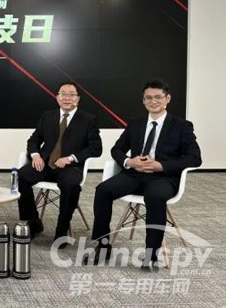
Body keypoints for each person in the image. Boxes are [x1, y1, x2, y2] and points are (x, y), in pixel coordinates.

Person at [87, 79, 201, 270]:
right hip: (135, 174)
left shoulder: (182, 126)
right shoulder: (135, 124)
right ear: (143, 100)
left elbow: (195, 158)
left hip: (163, 177)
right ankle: (102, 246)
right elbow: (117, 149)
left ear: (167, 99)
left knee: (154, 196)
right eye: (148, 97)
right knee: (102, 190)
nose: (153, 101)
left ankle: (151, 255)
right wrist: (129, 162)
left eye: (158, 97)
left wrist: (160, 166)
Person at [17, 82, 102, 247]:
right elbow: (34, 140)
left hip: (70, 167)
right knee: (21, 176)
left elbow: (95, 148)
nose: (67, 98)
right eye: (63, 94)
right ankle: (33, 222)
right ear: (57, 97)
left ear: (78, 99)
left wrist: (71, 158)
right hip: (45, 163)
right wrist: (35, 155)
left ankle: (61, 231)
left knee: (71, 185)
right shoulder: (48, 116)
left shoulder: (88, 120)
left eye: (71, 94)